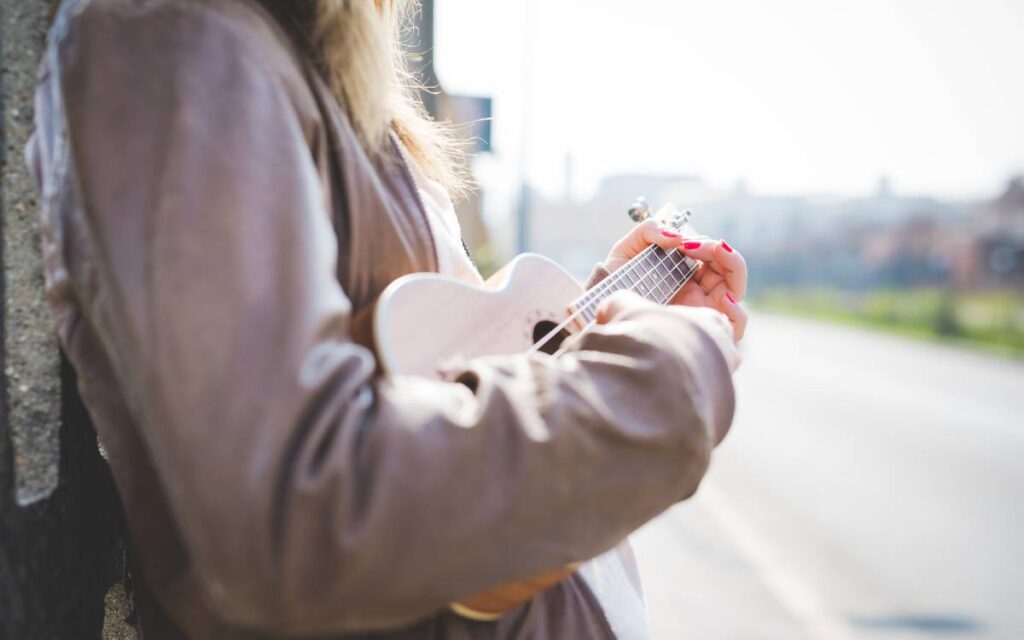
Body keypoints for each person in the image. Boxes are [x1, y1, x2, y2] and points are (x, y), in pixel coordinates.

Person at [27, 0, 747, 638]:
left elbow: (440, 373)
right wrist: (660, 378)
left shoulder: (304, 60)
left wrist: (604, 322)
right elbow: (291, 513)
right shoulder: (177, 34)